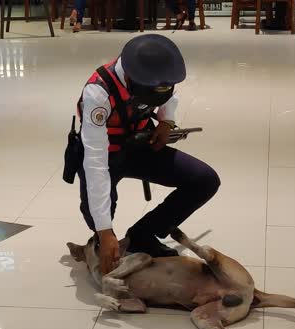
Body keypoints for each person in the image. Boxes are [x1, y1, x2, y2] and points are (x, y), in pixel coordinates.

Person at [75, 34, 220, 274]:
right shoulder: (98, 93)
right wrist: (105, 229)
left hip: (140, 146)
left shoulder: (156, 76)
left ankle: (143, 234)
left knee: (204, 180)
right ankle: (102, 240)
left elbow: (168, 96)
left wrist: (167, 122)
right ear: (132, 79)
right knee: (97, 214)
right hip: (106, 154)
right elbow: (95, 161)